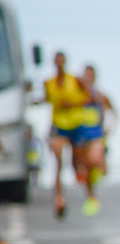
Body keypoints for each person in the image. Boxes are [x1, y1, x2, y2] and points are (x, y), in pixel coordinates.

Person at [42, 52, 90, 218]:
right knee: (58, 162)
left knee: (75, 162)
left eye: (61, 62)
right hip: (58, 126)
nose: (59, 65)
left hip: (75, 124)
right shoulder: (48, 83)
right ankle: (59, 198)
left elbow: (87, 97)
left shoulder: (75, 80)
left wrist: (72, 104)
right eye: (57, 62)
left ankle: (83, 179)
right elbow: (46, 99)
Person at [73, 64, 117, 216]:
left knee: (94, 162)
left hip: (97, 134)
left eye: (90, 76)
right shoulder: (77, 97)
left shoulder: (101, 96)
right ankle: (91, 196)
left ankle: (102, 165)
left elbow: (114, 113)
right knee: (84, 168)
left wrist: (109, 128)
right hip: (81, 135)